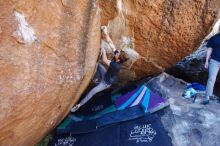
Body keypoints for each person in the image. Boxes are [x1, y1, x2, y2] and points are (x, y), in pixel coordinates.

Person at [71, 26, 127, 112]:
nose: (116, 52)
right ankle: (97, 77)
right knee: (97, 64)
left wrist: (103, 51)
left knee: (92, 92)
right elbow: (110, 43)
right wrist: (105, 32)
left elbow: (105, 60)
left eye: (117, 53)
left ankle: (78, 105)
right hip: (106, 74)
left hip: (106, 83)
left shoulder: (116, 65)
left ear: (118, 59)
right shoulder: (117, 58)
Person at [204, 27, 220, 105]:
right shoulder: (214, 38)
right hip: (214, 61)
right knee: (211, 79)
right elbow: (209, 49)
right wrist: (206, 61)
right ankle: (207, 97)